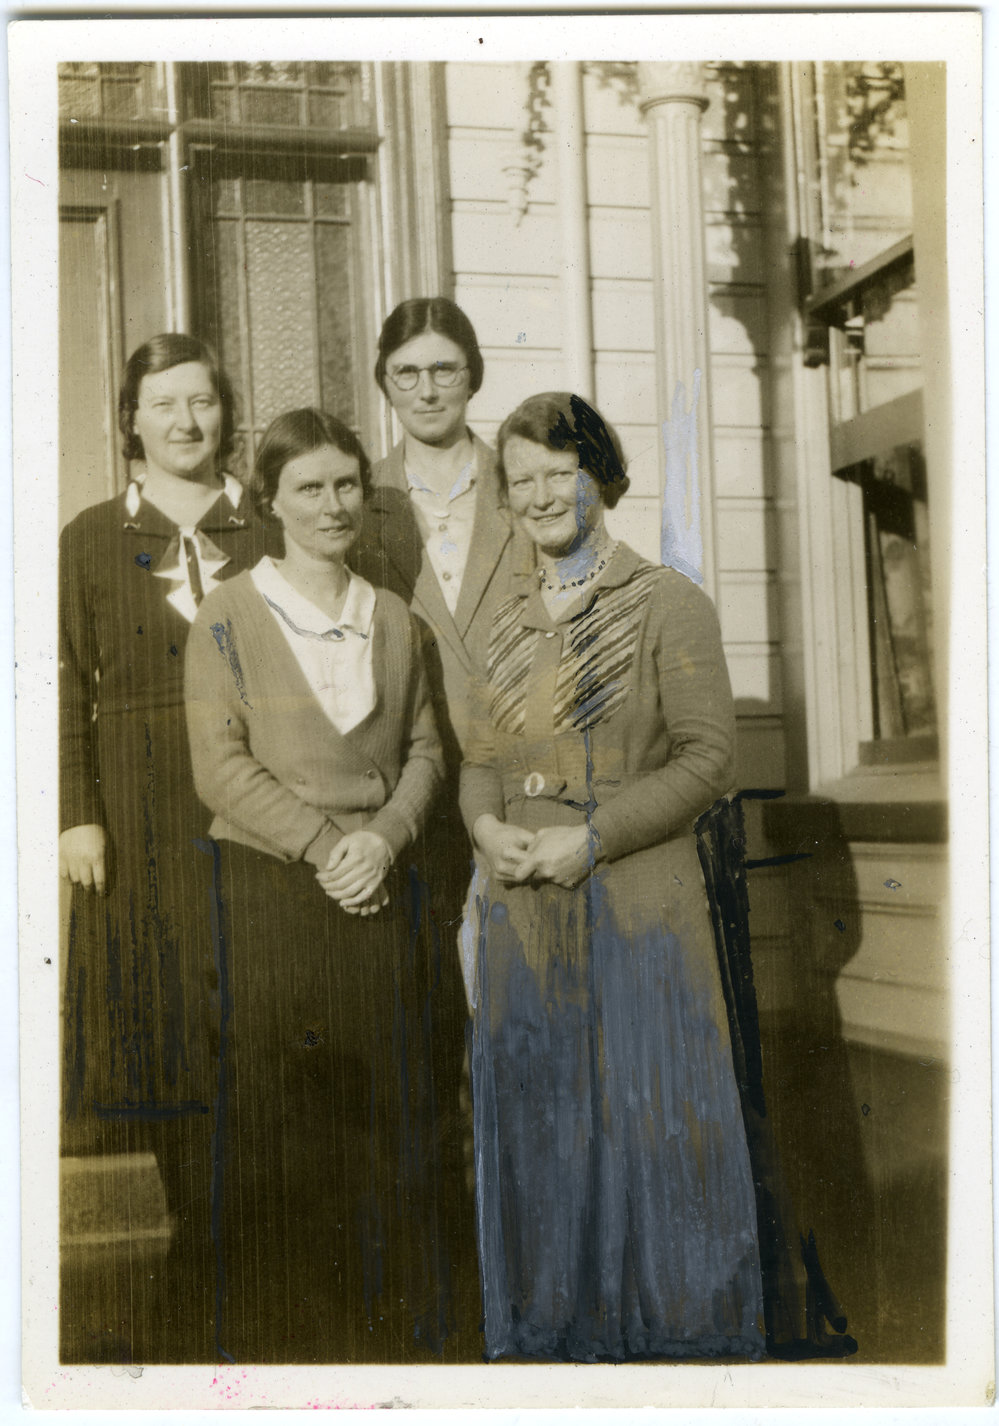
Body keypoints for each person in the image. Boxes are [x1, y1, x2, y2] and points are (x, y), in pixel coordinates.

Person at [459, 392, 765, 1363]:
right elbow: (475, 754)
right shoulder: (495, 621)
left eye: (561, 471)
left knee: (658, 1114)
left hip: (640, 896)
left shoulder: (668, 602)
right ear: (504, 499)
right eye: (523, 480)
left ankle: (684, 1346)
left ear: (602, 477)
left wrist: (591, 841)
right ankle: (550, 1340)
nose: (542, 494)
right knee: (544, 1119)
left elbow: (709, 758)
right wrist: (482, 829)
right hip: (525, 908)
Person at [185, 408, 446, 1363]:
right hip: (275, 899)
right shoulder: (226, 616)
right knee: (288, 1135)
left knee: (390, 1124)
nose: (334, 505)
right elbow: (221, 770)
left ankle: (389, 1352)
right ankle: (290, 1356)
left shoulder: (395, 615)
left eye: (348, 486)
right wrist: (326, 848)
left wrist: (381, 840)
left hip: (378, 890)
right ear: (269, 502)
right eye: (310, 488)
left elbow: (423, 747)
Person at [59, 332, 272, 1361]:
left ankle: (254, 1242)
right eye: (165, 404)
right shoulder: (92, 536)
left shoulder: (269, 529)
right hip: (139, 811)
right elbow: (60, 680)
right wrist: (75, 811)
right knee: (167, 1023)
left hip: (251, 800)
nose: (188, 422)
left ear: (226, 414)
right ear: (132, 420)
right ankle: (194, 1244)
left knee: (255, 1015)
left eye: (203, 402)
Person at [351, 297, 524, 1351]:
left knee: (523, 1005)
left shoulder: (524, 470)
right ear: (384, 383)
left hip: (517, 771)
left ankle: (531, 1241)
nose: (427, 388)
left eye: (445, 369)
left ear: (474, 376)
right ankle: (443, 1266)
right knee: (423, 1020)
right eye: (407, 372)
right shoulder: (356, 495)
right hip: (413, 782)